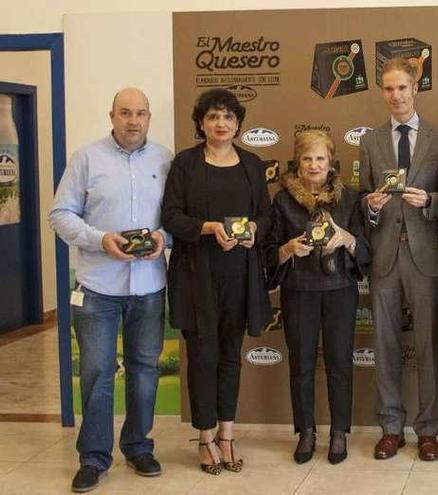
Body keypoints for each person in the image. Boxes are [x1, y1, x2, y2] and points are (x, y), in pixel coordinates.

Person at [49, 88, 171, 493]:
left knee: (144, 372)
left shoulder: (165, 159)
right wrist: (99, 239)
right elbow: (59, 215)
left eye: (140, 113)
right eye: (125, 113)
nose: (132, 120)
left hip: (149, 287)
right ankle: (94, 457)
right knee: (98, 372)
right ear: (111, 116)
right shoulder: (87, 158)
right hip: (97, 288)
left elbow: (177, 218)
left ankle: (138, 446)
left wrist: (163, 237)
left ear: (149, 117)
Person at [161, 88, 272, 475]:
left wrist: (253, 229)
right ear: (201, 123)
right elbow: (171, 217)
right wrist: (207, 227)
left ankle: (227, 435)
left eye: (227, 117)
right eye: (212, 117)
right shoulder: (186, 164)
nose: (221, 123)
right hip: (197, 277)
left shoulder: (252, 164)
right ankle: (205, 439)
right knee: (203, 358)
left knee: (229, 357)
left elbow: (266, 216)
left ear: (238, 123)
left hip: (240, 276)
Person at [359, 57, 438, 461]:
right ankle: (391, 427)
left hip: (426, 257)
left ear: (415, 88)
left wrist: (431, 201)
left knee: (428, 346)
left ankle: (429, 429)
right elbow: (362, 201)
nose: (395, 95)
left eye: (402, 87)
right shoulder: (370, 141)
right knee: (384, 346)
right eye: (388, 88)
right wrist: (372, 205)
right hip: (384, 256)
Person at [264, 130, 370, 464]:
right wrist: (287, 249)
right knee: (301, 365)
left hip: (340, 290)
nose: (313, 165)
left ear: (331, 163)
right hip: (299, 292)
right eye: (307, 159)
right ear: (297, 163)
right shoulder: (282, 200)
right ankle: (306, 431)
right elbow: (267, 251)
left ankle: (339, 431)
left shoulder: (350, 199)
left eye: (320, 159)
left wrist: (347, 240)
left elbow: (368, 249)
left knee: (340, 364)